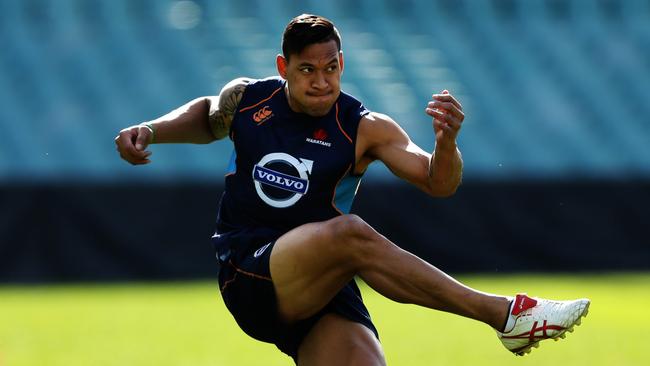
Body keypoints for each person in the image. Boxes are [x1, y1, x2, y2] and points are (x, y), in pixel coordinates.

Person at [115, 14, 589, 366]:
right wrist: (151, 130)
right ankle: (505, 314)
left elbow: (438, 183)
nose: (322, 82)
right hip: (250, 270)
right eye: (306, 70)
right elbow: (208, 114)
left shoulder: (365, 127)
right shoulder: (249, 98)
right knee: (351, 233)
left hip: (320, 288)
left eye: (330, 67)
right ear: (283, 66)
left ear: (342, 62)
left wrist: (447, 145)